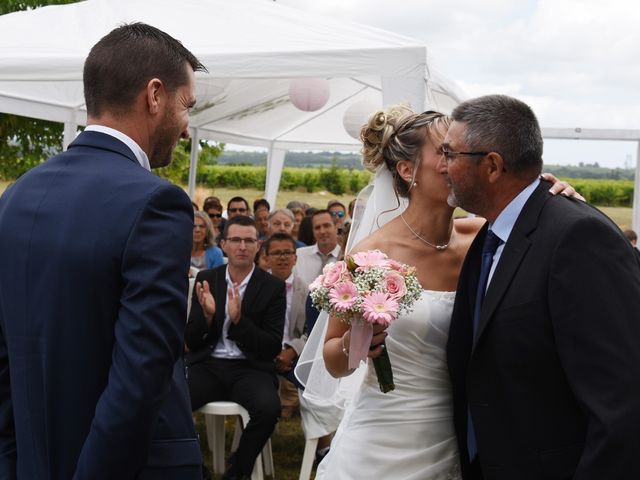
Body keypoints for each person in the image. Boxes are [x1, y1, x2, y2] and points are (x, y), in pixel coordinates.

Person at [303, 106, 578, 480]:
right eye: (445, 153)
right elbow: (334, 361)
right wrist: (356, 342)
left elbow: (542, 226)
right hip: (381, 440)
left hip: (461, 437)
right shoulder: (372, 255)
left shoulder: (485, 238)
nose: (458, 163)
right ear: (406, 170)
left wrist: (554, 197)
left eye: (460, 152)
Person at [0, 23, 205, 479]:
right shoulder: (157, 202)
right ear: (154, 95)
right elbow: (142, 373)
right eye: (186, 105)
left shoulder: (16, 196)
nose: (187, 126)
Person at [444, 95, 640, 479]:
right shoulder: (489, 236)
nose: (442, 166)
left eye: (450, 154)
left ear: (492, 166)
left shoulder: (578, 237)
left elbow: (621, 400)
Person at [185, 216, 286, 480]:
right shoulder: (207, 279)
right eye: (236, 240)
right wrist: (207, 317)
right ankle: (197, 469)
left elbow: (271, 345)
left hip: (250, 368)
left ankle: (238, 470)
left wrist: (240, 322)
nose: (242, 246)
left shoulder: (272, 286)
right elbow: (192, 341)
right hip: (208, 365)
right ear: (224, 245)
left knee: (269, 409)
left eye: (249, 240)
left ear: (258, 245)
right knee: (171, 401)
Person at [264, 233, 309, 419]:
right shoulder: (256, 287)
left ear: (295, 258)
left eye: (287, 253)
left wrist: (292, 350)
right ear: (266, 258)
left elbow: (312, 331)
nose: (283, 257)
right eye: (276, 253)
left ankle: (295, 402)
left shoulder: (305, 290)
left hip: (294, 353)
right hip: (262, 352)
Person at [294, 209, 341, 286]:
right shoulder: (299, 255)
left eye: (326, 226)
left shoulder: (345, 257)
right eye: (317, 228)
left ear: (336, 227)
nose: (322, 231)